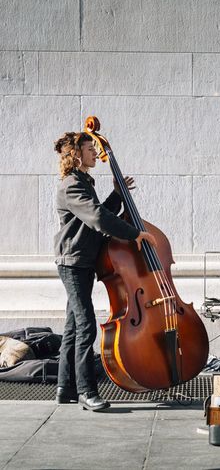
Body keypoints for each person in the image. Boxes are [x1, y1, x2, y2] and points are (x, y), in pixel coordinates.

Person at [53, 132, 157, 411]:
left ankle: (65, 388)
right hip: (73, 262)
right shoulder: (71, 185)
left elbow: (98, 212)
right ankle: (87, 392)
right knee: (86, 325)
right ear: (76, 154)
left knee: (73, 326)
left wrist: (117, 193)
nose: (95, 153)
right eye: (89, 149)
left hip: (83, 261)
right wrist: (134, 233)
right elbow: (98, 218)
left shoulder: (83, 181)